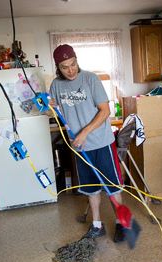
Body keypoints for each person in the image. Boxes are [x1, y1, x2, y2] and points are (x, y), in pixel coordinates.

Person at [49, 44, 125, 243]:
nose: (71, 70)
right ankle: (97, 225)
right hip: (81, 147)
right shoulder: (56, 85)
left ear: (76, 60)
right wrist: (49, 107)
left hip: (101, 142)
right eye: (65, 67)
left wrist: (84, 132)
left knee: (112, 186)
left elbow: (105, 111)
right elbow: (55, 112)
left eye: (73, 64)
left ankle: (121, 223)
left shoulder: (90, 79)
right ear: (58, 67)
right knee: (91, 188)